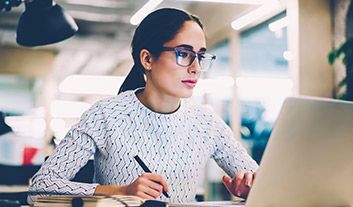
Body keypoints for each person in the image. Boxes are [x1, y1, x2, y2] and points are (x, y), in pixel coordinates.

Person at [28, 8, 258, 203]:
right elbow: (41, 187)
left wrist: (251, 190)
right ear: (147, 59)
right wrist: (121, 191)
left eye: (200, 56)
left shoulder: (206, 122)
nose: (196, 68)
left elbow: (259, 180)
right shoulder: (105, 115)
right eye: (184, 54)